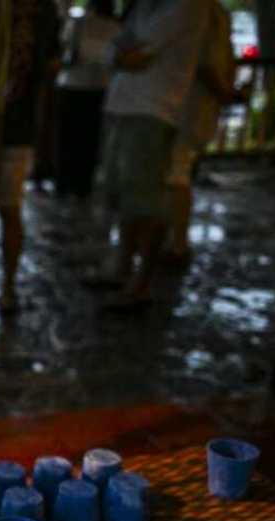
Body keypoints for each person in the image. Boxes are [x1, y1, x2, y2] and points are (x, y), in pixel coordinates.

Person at [94, 0, 209, 309]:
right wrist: (121, 54)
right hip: (123, 104)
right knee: (123, 195)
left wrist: (121, 54)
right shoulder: (145, 7)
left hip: (154, 111)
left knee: (146, 201)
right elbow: (118, 50)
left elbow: (134, 55)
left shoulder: (187, 7)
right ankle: (122, 268)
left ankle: (141, 282)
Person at [0, 0, 62, 314]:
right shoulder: (44, 11)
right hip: (17, 127)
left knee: (1, 212)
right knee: (10, 209)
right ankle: (6, 287)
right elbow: (50, 72)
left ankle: (5, 285)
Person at [163, 0, 237, 264]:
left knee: (175, 174)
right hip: (191, 106)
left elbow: (207, 65)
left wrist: (225, 93)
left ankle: (176, 243)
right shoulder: (215, 13)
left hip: (184, 107)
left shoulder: (199, 12)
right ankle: (172, 240)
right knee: (176, 172)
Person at [54, 0, 122, 199]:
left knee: (70, 138)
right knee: (87, 140)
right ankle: (79, 184)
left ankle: (66, 183)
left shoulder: (79, 23)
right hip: (93, 87)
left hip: (75, 86)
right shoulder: (113, 28)